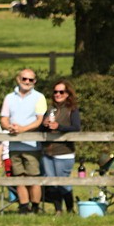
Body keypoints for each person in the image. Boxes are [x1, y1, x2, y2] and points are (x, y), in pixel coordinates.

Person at [0, 68, 46, 214]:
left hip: (32, 144)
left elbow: (39, 120)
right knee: (19, 177)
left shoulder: (39, 97)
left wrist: (23, 129)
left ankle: (35, 207)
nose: (27, 82)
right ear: (18, 79)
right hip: (14, 144)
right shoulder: (9, 97)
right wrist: (9, 127)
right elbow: (4, 118)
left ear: (35, 82)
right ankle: (24, 206)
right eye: (24, 79)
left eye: (30, 80)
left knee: (33, 177)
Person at [41, 79, 82, 214]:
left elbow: (76, 128)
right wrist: (44, 124)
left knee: (63, 182)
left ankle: (70, 209)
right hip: (48, 151)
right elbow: (42, 130)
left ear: (67, 94)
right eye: (55, 92)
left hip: (64, 152)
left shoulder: (72, 110)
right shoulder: (50, 110)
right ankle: (58, 210)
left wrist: (60, 127)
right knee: (52, 183)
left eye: (61, 92)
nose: (57, 94)